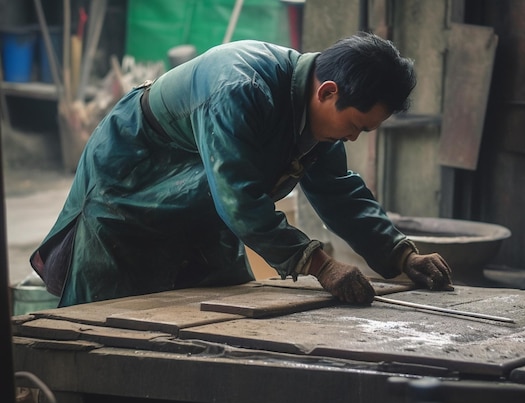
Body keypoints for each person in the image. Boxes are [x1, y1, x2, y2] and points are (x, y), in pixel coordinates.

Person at [30, 32, 453, 307]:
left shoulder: (317, 122)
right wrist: (320, 264)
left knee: (228, 310)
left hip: (200, 201)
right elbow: (238, 200)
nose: (355, 138)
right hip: (128, 187)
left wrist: (401, 254)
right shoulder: (240, 87)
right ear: (328, 91)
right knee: (106, 328)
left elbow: (338, 191)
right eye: (357, 126)